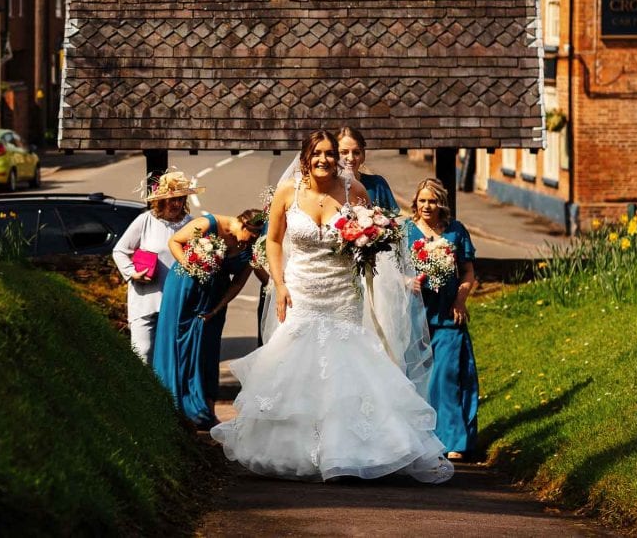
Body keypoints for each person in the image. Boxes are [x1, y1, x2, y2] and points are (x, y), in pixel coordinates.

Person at [211, 130, 453, 483]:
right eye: (317, 154)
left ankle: (352, 451)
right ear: (306, 157)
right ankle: (298, 452)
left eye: (330, 154)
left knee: (348, 363)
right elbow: (274, 241)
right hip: (301, 290)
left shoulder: (353, 191)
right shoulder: (287, 193)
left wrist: (369, 239)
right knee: (297, 363)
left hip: (342, 292)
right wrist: (279, 286)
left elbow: (374, 235)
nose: (324, 160)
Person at [153, 208, 262, 429]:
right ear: (243, 225)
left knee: (207, 351)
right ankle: (171, 404)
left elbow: (238, 283)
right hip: (185, 288)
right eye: (251, 237)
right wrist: (191, 265)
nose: (250, 242)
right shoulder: (208, 224)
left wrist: (218, 308)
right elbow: (175, 241)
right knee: (177, 342)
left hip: (214, 299)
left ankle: (205, 411)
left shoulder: (251, 247)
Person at [403, 178, 478, 460]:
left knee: (446, 376)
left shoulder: (456, 231)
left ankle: (452, 439)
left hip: (447, 315)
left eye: (432, 201)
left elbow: (468, 272)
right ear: (415, 203)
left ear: (441, 203)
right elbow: (392, 270)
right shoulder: (406, 231)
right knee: (417, 377)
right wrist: (406, 281)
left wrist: (460, 299)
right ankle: (418, 439)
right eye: (422, 200)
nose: (426, 206)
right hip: (416, 314)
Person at [112, 171, 201, 364]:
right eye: (172, 199)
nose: (176, 204)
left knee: (171, 358)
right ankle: (141, 394)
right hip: (146, 300)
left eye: (181, 199)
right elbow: (120, 251)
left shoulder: (192, 224)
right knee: (142, 353)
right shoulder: (146, 220)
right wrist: (132, 273)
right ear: (160, 200)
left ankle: (167, 395)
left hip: (178, 302)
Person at [336, 126, 398, 213]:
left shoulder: (377, 185)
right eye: (344, 152)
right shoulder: (327, 186)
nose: (350, 158)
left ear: (363, 155)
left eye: (356, 152)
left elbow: (394, 222)